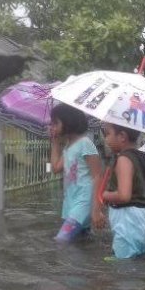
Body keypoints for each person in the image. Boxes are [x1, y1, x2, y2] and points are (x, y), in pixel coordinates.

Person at [49, 103, 104, 242]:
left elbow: (98, 175)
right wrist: (55, 143)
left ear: (68, 122)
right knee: (80, 242)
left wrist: (96, 209)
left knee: (61, 241)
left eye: (55, 123)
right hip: (71, 202)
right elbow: (55, 168)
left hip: (83, 201)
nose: (52, 127)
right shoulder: (68, 146)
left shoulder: (85, 143)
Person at [100, 122, 145, 259]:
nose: (105, 139)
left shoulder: (124, 159)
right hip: (144, 218)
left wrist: (104, 195)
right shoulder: (143, 157)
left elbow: (124, 195)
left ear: (122, 136)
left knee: (123, 268)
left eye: (107, 134)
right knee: (139, 262)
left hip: (128, 221)